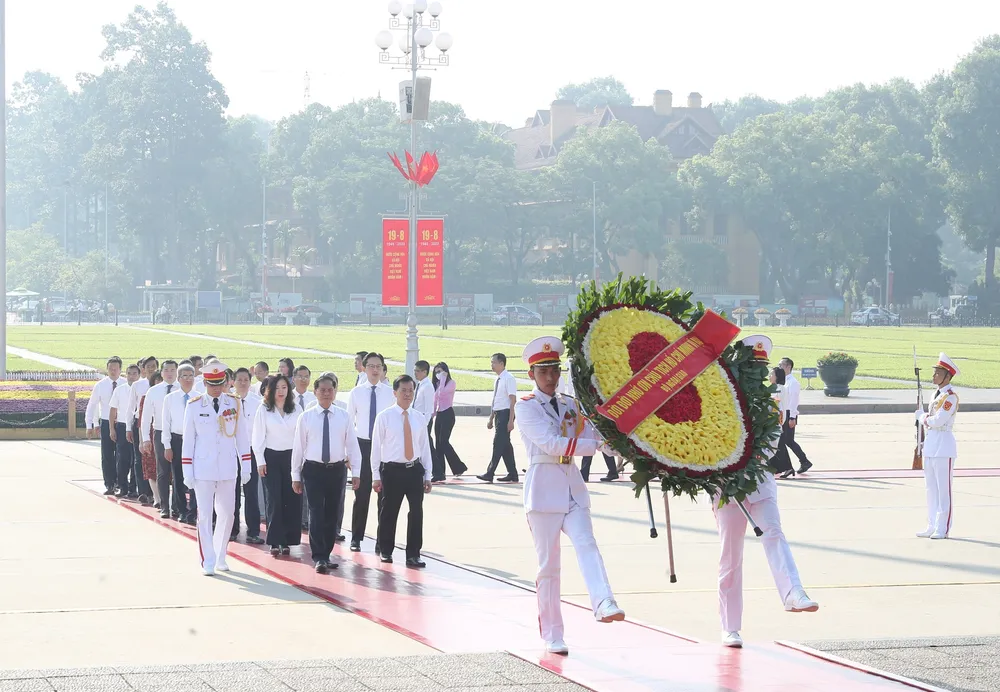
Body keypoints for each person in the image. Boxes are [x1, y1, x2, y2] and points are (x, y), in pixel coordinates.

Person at [515, 336, 625, 655]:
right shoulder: (526, 407)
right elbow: (551, 444)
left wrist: (617, 439)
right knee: (549, 567)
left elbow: (591, 433)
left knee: (587, 544)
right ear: (532, 374)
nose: (550, 377)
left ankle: (603, 601)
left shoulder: (570, 404)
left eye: (554, 370)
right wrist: (596, 446)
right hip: (543, 488)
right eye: (543, 371)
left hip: (572, 487)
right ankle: (552, 633)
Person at [716, 336, 818, 649]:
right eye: (753, 367)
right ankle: (730, 627)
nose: (759, 374)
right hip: (727, 487)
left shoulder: (772, 400)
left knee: (774, 533)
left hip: (759, 480)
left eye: (762, 368)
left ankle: (793, 592)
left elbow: (772, 440)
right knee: (730, 558)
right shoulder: (722, 397)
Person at [181, 362, 251, 576]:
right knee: (204, 515)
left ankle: (221, 555)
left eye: (219, 384)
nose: (216, 388)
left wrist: (246, 465)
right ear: (204, 383)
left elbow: (242, 436)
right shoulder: (194, 405)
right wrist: (187, 471)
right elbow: (188, 440)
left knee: (228, 514)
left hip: (228, 467)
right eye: (212, 384)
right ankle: (208, 559)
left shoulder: (234, 403)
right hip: (203, 468)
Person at [291, 374, 362, 573]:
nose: (326, 393)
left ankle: (327, 552)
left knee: (332, 513)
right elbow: (298, 448)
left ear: (335, 391)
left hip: (336, 470)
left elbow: (352, 446)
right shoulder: (306, 417)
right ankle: (319, 556)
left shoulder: (343, 416)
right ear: (315, 392)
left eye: (330, 389)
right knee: (316, 513)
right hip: (313, 470)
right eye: (322, 390)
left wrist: (356, 471)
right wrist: (295, 476)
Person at [372, 374, 432, 568]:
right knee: (389, 512)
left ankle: (413, 554)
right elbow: (375, 448)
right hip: (392, 470)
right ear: (395, 392)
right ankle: (386, 550)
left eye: (410, 391)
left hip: (414, 470)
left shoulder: (418, 418)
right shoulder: (385, 417)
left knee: (416, 513)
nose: (407, 394)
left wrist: (428, 474)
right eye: (403, 391)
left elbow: (424, 447)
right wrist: (375, 476)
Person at [347, 352, 395, 552]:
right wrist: (348, 453)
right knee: (362, 494)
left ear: (383, 369)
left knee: (384, 496)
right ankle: (356, 537)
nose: (375, 370)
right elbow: (349, 424)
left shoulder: (390, 392)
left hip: (384, 448)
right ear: (364, 368)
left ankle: (381, 541)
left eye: (379, 366)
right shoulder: (356, 393)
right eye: (371, 366)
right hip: (363, 446)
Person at [252, 374, 303, 557]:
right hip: (271, 457)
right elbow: (258, 437)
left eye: (284, 388)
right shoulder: (264, 410)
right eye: (277, 388)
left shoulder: (296, 409)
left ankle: (288, 540)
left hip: (291, 457)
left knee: (291, 498)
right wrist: (260, 461)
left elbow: (301, 436)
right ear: (270, 390)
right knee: (273, 499)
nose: (281, 392)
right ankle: (275, 540)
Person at [916, 353, 960, 540]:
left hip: (944, 445)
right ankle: (932, 524)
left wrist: (922, 416)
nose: (934, 376)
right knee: (930, 488)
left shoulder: (950, 397)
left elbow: (938, 420)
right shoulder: (936, 394)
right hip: (932, 445)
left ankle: (943, 527)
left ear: (947, 376)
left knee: (944, 490)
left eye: (938, 373)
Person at [559, 358, 617, 483]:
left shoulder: (585, 380)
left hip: (590, 412)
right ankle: (609, 471)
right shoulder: (577, 378)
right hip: (584, 411)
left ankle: (585, 473)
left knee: (592, 441)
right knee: (598, 442)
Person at [141, 360, 179, 519]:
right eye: (167, 370)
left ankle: (177, 506)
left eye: (172, 370)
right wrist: (145, 438)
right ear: (161, 372)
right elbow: (145, 417)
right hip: (160, 432)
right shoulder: (154, 391)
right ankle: (165, 506)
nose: (170, 373)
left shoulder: (182, 389)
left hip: (179, 434)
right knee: (162, 471)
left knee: (179, 472)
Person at [162, 364, 198, 525]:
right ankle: (182, 510)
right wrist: (167, 445)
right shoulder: (170, 398)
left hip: (197, 440)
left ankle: (194, 511)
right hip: (177, 439)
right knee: (178, 476)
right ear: (178, 378)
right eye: (185, 375)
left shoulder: (200, 397)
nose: (188, 379)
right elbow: (165, 423)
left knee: (196, 476)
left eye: (191, 375)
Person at [86, 356, 128, 495]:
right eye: (110, 369)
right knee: (107, 454)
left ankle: (121, 483)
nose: (113, 371)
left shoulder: (126, 384)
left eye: (116, 369)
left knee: (122, 455)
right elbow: (92, 405)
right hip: (105, 422)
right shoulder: (101, 385)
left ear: (120, 369)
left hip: (121, 423)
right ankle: (109, 484)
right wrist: (90, 425)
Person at [232, 368, 265, 544]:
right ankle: (233, 528)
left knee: (251, 492)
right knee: (232, 491)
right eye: (239, 379)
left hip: (251, 451)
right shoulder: (228, 401)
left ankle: (253, 530)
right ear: (233, 382)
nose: (243, 383)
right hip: (232, 451)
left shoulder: (258, 403)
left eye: (246, 379)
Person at [478, 353, 518, 483]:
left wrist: (511, 420)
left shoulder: (509, 378)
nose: (492, 365)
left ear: (501, 363)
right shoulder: (498, 379)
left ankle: (490, 472)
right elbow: (497, 400)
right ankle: (513, 473)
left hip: (506, 414)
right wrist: (491, 417)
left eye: (494, 362)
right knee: (505, 445)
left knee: (498, 443)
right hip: (499, 414)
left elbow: (512, 400)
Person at [128, 357, 158, 505]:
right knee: (140, 458)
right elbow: (130, 407)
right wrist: (128, 428)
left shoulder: (161, 385)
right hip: (140, 424)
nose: (151, 369)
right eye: (148, 367)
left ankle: (155, 493)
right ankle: (143, 492)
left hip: (156, 425)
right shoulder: (138, 385)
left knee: (155, 459)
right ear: (143, 369)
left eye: (154, 366)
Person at [109, 363, 141, 499]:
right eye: (129, 373)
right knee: (122, 458)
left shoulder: (142, 388)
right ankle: (122, 486)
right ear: (125, 374)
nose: (132, 376)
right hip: (122, 426)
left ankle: (134, 488)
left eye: (135, 373)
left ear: (139, 375)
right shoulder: (120, 390)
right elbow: (113, 410)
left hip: (136, 425)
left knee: (136, 458)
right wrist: (111, 428)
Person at [432, 362, 467, 481]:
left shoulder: (451, 383)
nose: (438, 374)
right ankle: (440, 472)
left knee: (444, 442)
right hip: (440, 414)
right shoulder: (436, 384)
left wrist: (443, 379)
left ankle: (459, 467)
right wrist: (433, 413)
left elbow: (442, 393)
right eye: (436, 372)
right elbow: (435, 399)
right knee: (438, 444)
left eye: (441, 371)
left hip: (448, 414)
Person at [778, 358, 812, 475]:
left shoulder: (793, 383)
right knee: (787, 441)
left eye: (781, 365)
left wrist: (792, 417)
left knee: (787, 441)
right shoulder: (784, 381)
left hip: (789, 414)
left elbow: (793, 401)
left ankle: (802, 462)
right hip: (784, 413)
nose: (779, 367)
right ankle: (804, 461)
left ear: (788, 367)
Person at [138, 371, 163, 504]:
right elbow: (142, 421)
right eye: (156, 381)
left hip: (165, 434)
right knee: (151, 467)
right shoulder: (146, 397)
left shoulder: (172, 396)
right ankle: (157, 498)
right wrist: (143, 440)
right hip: (151, 435)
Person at [768, 367, 795, 478]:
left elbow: (779, 405)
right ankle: (787, 468)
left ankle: (785, 468)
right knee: (780, 446)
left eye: (771, 374)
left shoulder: (781, 388)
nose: (769, 376)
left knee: (778, 446)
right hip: (772, 420)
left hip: (777, 420)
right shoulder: (772, 388)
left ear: (777, 376)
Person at [413, 360, 436, 462]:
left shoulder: (427, 386)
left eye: (418, 371)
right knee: (424, 445)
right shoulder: (420, 384)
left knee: (427, 446)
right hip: (417, 417)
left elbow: (429, 407)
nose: (415, 373)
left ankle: (438, 471)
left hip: (423, 418)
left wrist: (425, 423)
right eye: (415, 371)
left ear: (425, 372)